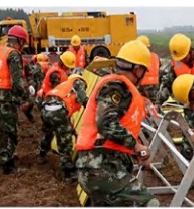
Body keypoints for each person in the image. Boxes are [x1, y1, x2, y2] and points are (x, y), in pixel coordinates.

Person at [74, 40, 157, 206]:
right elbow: (106, 123)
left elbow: (121, 126)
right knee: (149, 203)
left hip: (97, 167)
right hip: (101, 166)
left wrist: (137, 150)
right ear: (138, 70)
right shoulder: (116, 87)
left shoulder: (118, 86)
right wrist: (136, 147)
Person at [0, 25, 33, 174]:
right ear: (19, 41)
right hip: (7, 97)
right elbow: (17, 81)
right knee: (10, 130)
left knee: (4, 128)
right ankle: (7, 164)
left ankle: (4, 155)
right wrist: (26, 98)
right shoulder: (13, 54)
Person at [41, 70, 87, 182]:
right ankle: (68, 173)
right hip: (58, 110)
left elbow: (65, 117)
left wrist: (71, 129)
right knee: (65, 142)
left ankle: (42, 153)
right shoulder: (77, 81)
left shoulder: (63, 87)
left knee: (48, 133)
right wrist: (93, 110)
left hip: (45, 108)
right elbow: (84, 99)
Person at [36, 51, 72, 164]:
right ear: (62, 63)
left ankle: (42, 154)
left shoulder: (61, 69)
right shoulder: (55, 74)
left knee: (48, 131)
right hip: (51, 105)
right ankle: (67, 168)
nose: (69, 69)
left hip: (49, 104)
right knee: (61, 134)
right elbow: (57, 93)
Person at [136, 35, 162, 101]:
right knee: (154, 105)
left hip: (142, 87)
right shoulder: (155, 56)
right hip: (155, 87)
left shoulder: (138, 57)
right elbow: (159, 66)